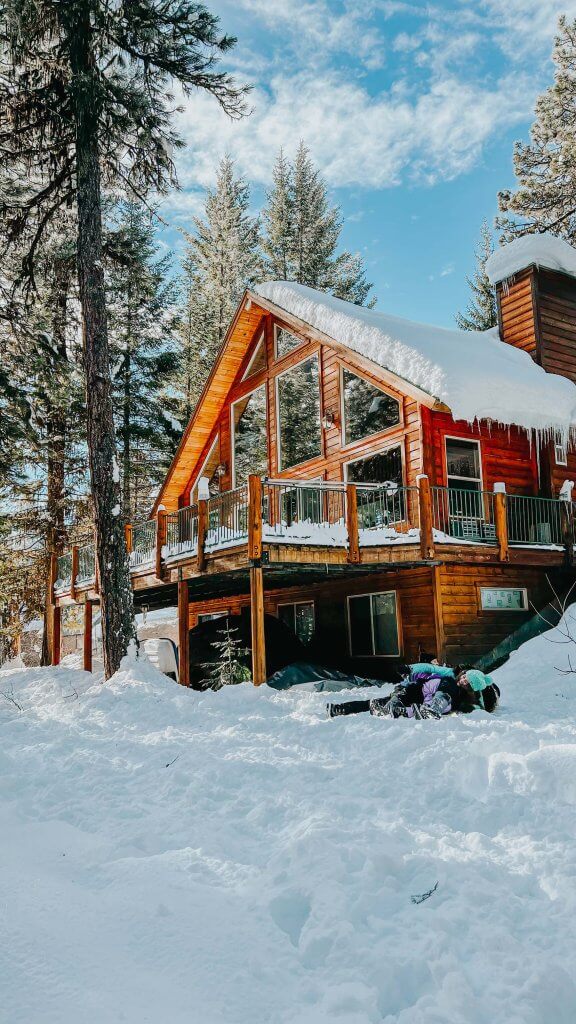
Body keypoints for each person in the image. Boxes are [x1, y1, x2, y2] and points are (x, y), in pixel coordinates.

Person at [327, 663, 500, 720]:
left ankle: (401, 709)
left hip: (425, 701)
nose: (463, 681)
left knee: (384, 705)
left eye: (468, 683)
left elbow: (479, 707)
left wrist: (481, 711)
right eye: (464, 677)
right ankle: (342, 709)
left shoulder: (465, 694)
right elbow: (429, 667)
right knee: (389, 700)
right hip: (414, 691)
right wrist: (409, 668)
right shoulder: (449, 676)